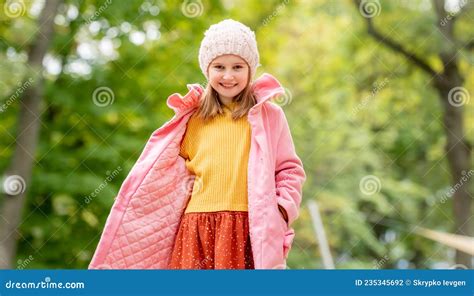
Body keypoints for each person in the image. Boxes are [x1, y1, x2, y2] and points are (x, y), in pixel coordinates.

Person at [88, 19, 306, 270]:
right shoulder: (192, 119)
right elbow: (166, 177)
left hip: (248, 227)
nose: (227, 75)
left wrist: (280, 210)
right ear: (207, 69)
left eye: (237, 66)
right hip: (196, 227)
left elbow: (289, 170)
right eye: (219, 66)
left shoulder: (268, 116)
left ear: (250, 69)